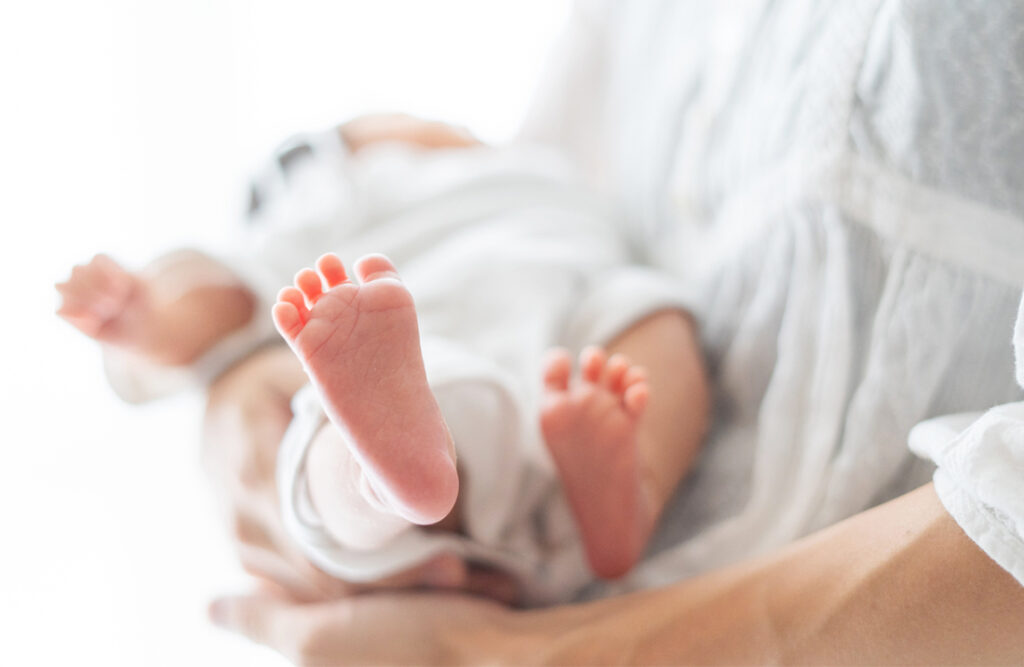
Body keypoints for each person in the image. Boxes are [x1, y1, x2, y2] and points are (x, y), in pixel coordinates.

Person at [198, 0, 1024, 663]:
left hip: (555, 402)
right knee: (331, 453)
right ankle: (398, 479)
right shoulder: (441, 196)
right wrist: (237, 394)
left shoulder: (506, 198)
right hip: (507, 465)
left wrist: (527, 657)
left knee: (652, 334)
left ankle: (443, 484)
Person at [56, 115, 710, 604]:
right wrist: (153, 317)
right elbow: (226, 298)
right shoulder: (334, 200)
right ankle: (381, 476)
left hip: (562, 368)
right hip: (446, 370)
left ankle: (623, 498)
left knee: (652, 316)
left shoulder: (538, 173)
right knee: (327, 427)